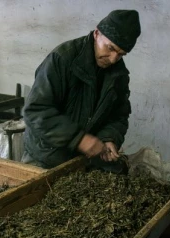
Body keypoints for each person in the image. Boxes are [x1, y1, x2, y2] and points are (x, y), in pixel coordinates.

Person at [21, 9, 141, 169]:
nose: (113, 59)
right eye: (110, 48)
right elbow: (35, 111)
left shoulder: (119, 74)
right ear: (97, 34)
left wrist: (108, 138)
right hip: (45, 157)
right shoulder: (62, 59)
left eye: (121, 54)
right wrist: (79, 139)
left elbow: (118, 115)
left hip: (81, 161)